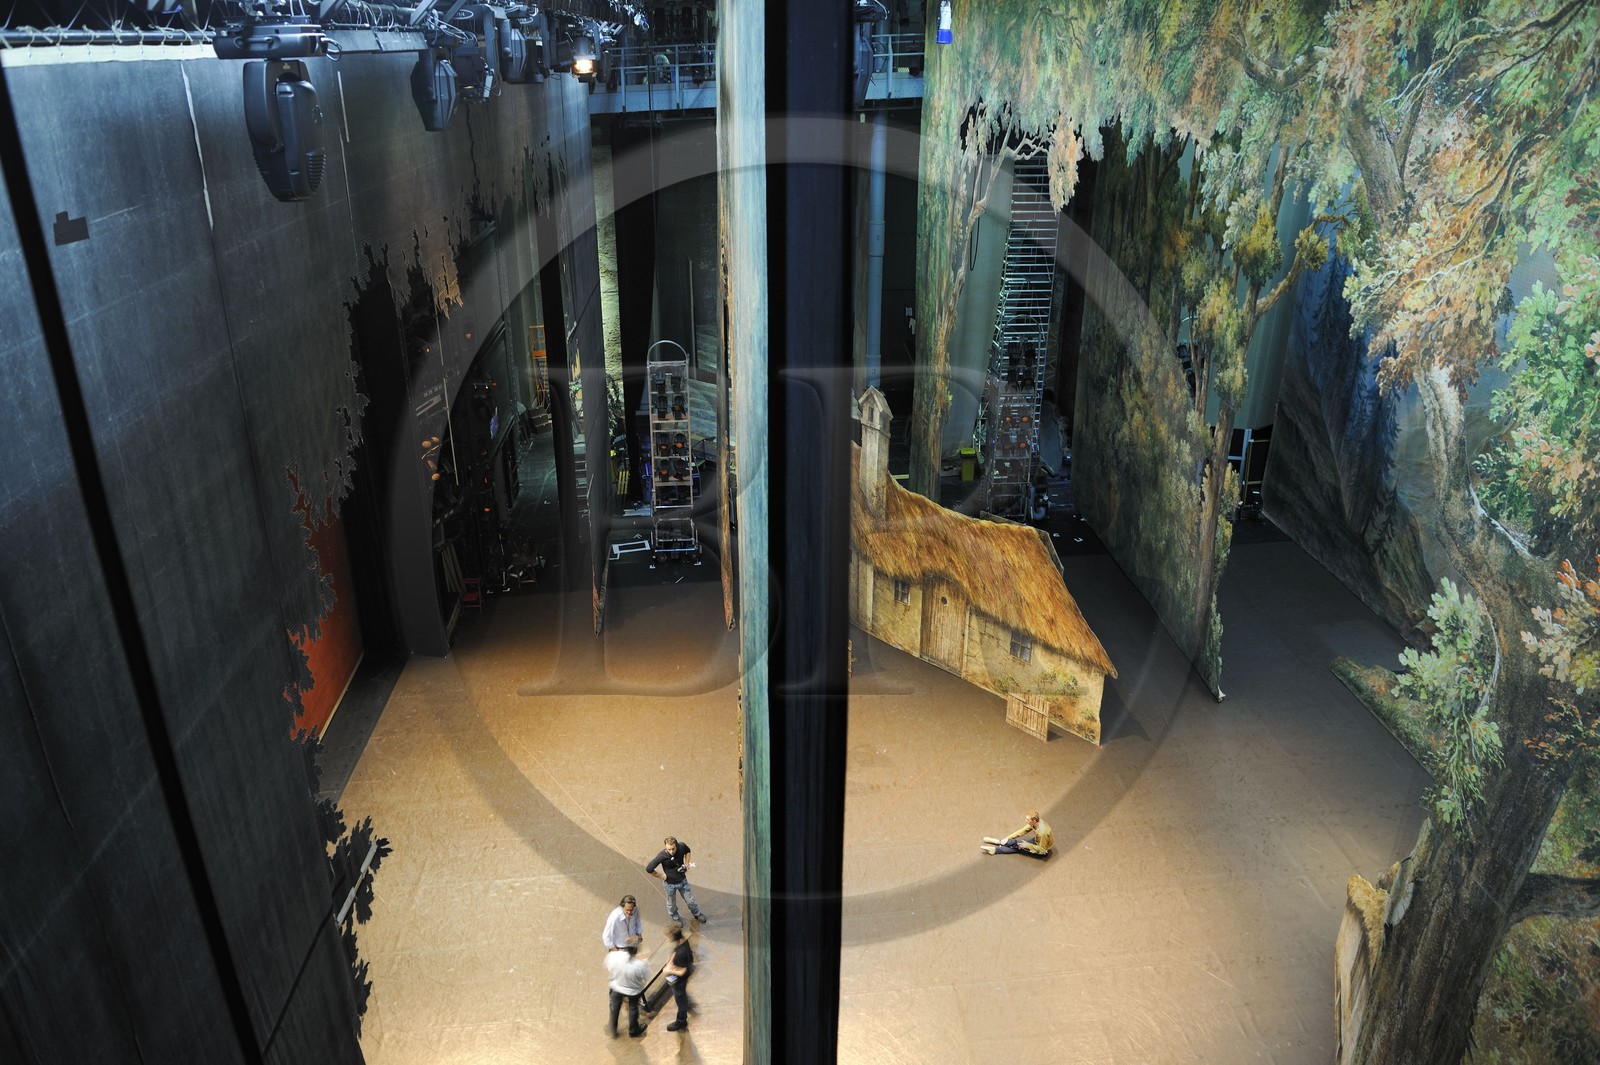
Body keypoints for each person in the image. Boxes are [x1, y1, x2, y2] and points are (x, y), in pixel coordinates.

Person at [646, 835, 708, 925]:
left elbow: (688, 851)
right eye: (669, 849)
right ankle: (675, 917)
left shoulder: (682, 846)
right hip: (669, 885)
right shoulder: (661, 856)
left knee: (691, 900)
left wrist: (686, 863)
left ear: (677, 845)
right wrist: (661, 876)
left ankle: (697, 913)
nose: (671, 851)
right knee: (671, 904)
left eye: (673, 849)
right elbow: (649, 869)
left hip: (683, 881)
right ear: (665, 847)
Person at [604, 944, 650, 1038]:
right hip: (633, 990)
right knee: (633, 1008)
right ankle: (633, 1031)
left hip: (616, 987)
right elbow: (645, 977)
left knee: (614, 1009)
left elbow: (608, 967)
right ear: (636, 951)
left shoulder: (615, 957)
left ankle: (612, 1030)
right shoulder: (640, 965)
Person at [981, 810, 1053, 859]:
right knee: (1016, 843)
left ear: (1034, 821)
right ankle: (999, 842)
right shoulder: (1036, 822)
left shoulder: (1042, 833)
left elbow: (1042, 849)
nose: (1025, 820)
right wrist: (1008, 838)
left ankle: (995, 850)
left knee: (1018, 847)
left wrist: (1027, 845)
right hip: (1037, 841)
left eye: (1027, 819)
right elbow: (1023, 831)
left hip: (1043, 850)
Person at [662, 925, 695, 1031]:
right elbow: (675, 951)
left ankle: (681, 1021)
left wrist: (669, 970)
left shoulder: (682, 953)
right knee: (681, 994)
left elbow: (682, 971)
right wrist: (670, 962)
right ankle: (686, 1002)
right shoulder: (682, 941)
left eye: (668, 936)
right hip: (678, 973)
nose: (667, 938)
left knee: (680, 999)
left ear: (673, 936)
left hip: (679, 980)